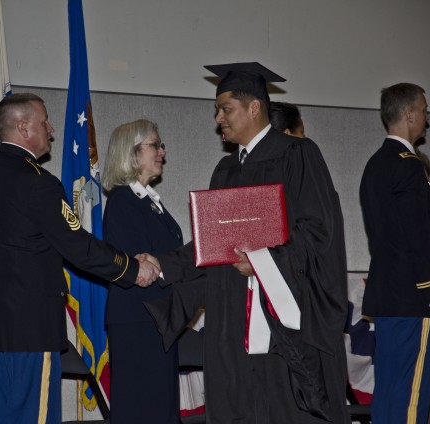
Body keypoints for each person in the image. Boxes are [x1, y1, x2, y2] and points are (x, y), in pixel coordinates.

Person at [146, 62, 350, 423]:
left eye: (225, 109)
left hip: (280, 317)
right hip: (230, 318)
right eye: (217, 111)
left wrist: (262, 260)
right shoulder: (225, 170)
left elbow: (318, 231)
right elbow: (211, 242)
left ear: (254, 107)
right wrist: (163, 265)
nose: (218, 119)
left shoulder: (298, 155)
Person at [0, 93, 160, 423]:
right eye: (44, 121)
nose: (51, 129)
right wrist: (132, 268)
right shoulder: (38, 182)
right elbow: (78, 246)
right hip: (28, 332)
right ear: (23, 127)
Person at [359, 83, 430, 424]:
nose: (427, 119)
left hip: (386, 299)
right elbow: (419, 237)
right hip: (412, 300)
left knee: (388, 396)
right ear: (410, 115)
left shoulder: (375, 164)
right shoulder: (409, 166)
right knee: (411, 399)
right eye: (424, 110)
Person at [101, 119, 183, 424]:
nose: (162, 151)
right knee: (142, 406)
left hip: (158, 319)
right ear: (132, 153)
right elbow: (140, 267)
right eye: (155, 145)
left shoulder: (149, 201)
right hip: (138, 319)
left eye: (161, 145)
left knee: (159, 406)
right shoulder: (124, 201)